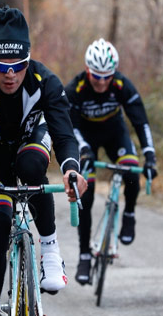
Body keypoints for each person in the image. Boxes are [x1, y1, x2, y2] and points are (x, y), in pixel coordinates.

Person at [0, 6, 87, 315]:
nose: (10, 75)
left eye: (18, 65)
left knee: (31, 164)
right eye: (1, 66)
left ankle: (49, 248)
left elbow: (64, 136)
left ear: (28, 60)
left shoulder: (45, 80)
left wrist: (72, 170)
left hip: (31, 141)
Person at [65, 38, 158, 285]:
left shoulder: (122, 85)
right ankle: (85, 254)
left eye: (108, 75)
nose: (103, 81)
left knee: (131, 168)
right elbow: (68, 126)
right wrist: (83, 150)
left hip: (115, 132)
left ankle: (128, 215)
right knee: (87, 191)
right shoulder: (75, 88)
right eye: (97, 75)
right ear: (88, 71)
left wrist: (150, 155)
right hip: (85, 137)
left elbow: (140, 122)